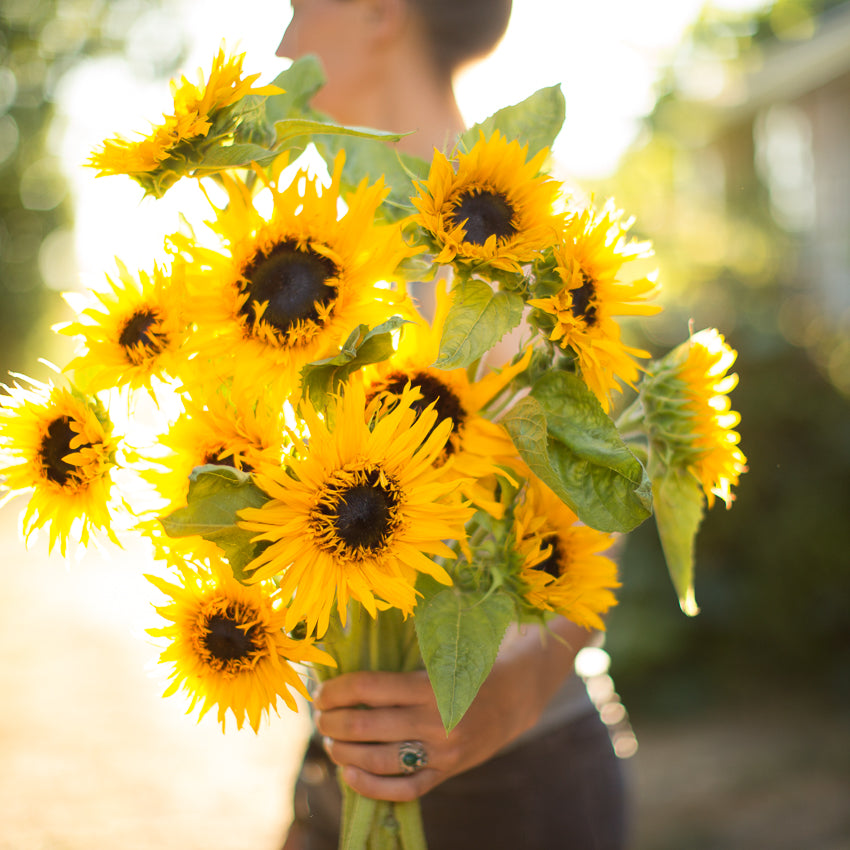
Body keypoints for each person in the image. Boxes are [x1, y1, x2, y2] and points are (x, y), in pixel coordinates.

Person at [277, 2, 628, 848]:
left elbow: (592, 516)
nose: (282, 43)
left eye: (294, 8)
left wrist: (497, 702)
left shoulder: (515, 246)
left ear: (377, 11)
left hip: (514, 779)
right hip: (339, 767)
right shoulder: (315, 247)